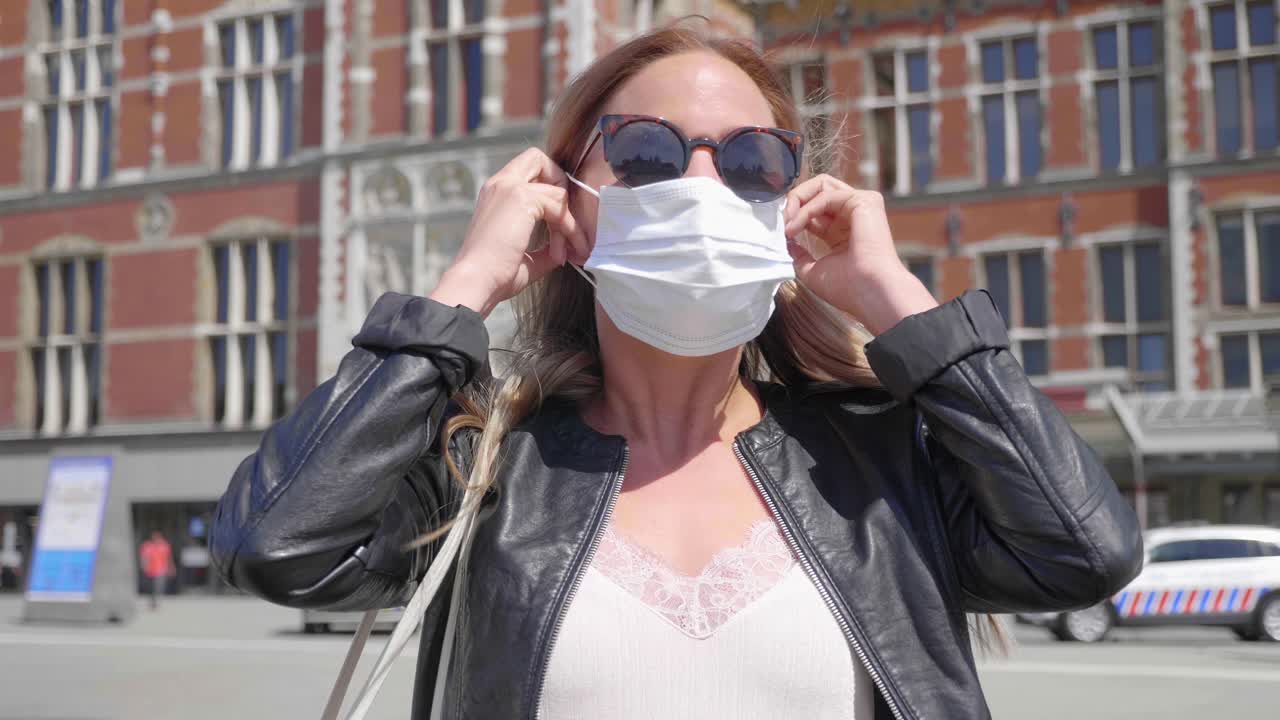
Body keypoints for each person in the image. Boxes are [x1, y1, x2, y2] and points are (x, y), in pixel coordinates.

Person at [211, 25, 1142, 720]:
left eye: (752, 161)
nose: (702, 185)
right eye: (646, 152)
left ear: (791, 203)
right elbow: (279, 545)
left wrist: (897, 299)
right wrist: (462, 292)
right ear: (564, 202)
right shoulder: (484, 468)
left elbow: (1084, 552)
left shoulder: (879, 460)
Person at [139, 531, 174, 610]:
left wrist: (171, 568)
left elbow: (168, 558)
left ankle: (156, 601)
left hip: (161, 570)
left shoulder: (165, 546)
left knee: (158, 587)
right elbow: (144, 557)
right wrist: (143, 566)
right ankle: (152, 601)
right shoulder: (147, 546)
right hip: (149, 571)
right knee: (150, 588)